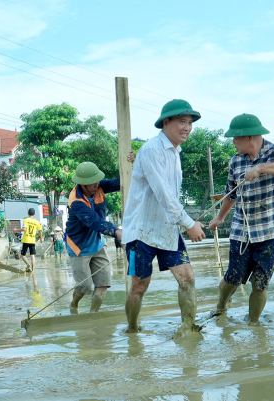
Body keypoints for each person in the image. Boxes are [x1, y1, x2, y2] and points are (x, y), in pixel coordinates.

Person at [122, 99, 206, 338]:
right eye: (182, 122)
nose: (187, 128)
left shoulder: (175, 153)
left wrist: (183, 223)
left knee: (187, 279)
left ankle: (188, 330)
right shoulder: (151, 150)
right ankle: (132, 329)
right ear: (165, 123)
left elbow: (171, 197)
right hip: (142, 231)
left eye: (190, 123)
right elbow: (164, 194)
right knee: (139, 286)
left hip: (168, 229)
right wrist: (189, 224)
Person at [208, 113, 274, 323]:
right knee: (233, 277)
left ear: (249, 137)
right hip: (242, 231)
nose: (232, 142)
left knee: (260, 282)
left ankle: (253, 323)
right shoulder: (236, 161)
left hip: (271, 230)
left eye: (235, 138)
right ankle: (221, 306)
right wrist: (220, 218)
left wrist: (260, 168)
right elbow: (231, 194)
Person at [66, 162, 122, 314]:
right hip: (80, 246)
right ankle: (74, 304)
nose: (96, 185)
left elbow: (119, 183)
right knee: (84, 287)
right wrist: (116, 231)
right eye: (92, 183)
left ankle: (93, 314)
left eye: (97, 181)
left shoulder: (99, 186)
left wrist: (131, 164)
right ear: (82, 184)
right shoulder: (76, 201)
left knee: (103, 283)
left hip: (97, 243)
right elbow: (95, 222)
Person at [13, 208, 43, 272]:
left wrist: (15, 230)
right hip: (32, 241)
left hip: (26, 240)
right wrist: (41, 238)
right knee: (33, 256)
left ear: (28, 213)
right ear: (34, 214)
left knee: (23, 255)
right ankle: (33, 270)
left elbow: (24, 229)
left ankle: (28, 264)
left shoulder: (26, 220)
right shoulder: (37, 222)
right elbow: (40, 231)